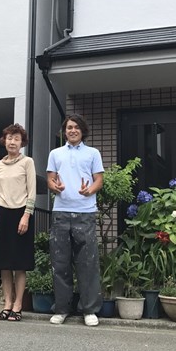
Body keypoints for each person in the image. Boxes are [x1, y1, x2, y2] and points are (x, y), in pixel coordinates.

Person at [46, 114, 104, 327]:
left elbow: (99, 180)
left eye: (76, 127)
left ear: (82, 131)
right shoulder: (55, 153)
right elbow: (50, 178)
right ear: (64, 131)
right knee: (60, 262)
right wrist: (55, 187)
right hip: (60, 212)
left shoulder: (93, 153)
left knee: (88, 263)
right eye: (69, 127)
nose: (72, 130)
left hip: (85, 213)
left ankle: (89, 310)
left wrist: (90, 190)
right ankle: (62, 309)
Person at [0, 124, 36, 322]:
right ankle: (7, 304)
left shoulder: (27, 162)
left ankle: (18, 305)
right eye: (9, 138)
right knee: (4, 263)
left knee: (19, 263)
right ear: (4, 141)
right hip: (2, 213)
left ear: (22, 142)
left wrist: (27, 215)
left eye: (16, 138)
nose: (12, 142)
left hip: (21, 214)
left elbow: (32, 191)